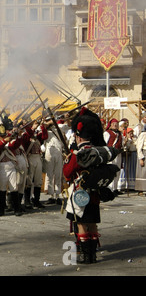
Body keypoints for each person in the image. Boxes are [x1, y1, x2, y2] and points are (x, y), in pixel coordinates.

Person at [64, 107, 119, 264]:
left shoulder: (78, 154)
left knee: (81, 224)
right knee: (93, 224)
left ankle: (86, 256)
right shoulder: (98, 151)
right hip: (95, 193)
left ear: (79, 136)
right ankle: (93, 255)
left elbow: (67, 173)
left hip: (80, 193)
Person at [24, 119, 47, 209]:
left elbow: (44, 136)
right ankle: (27, 201)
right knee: (29, 180)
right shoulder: (26, 135)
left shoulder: (37, 135)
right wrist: (33, 128)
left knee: (38, 181)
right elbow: (28, 136)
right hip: (30, 157)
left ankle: (36, 201)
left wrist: (42, 126)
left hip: (37, 157)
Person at [43, 116, 64, 205]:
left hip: (58, 152)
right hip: (49, 153)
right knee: (49, 174)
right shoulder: (45, 130)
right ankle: (51, 195)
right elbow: (43, 134)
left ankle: (58, 194)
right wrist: (46, 124)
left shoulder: (59, 128)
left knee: (58, 174)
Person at [104, 118, 123, 195]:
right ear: (110, 125)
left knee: (117, 171)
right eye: (114, 124)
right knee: (111, 171)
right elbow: (104, 144)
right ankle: (110, 189)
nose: (115, 125)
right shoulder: (107, 133)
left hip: (118, 154)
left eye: (116, 124)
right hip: (110, 154)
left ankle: (115, 188)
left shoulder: (120, 134)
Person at [135, 125, 146, 190]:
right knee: (143, 172)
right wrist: (141, 158)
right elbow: (139, 146)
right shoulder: (143, 134)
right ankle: (141, 189)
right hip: (144, 153)